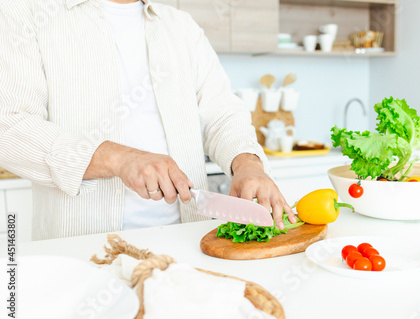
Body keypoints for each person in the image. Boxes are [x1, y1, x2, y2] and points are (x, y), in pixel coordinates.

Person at [0, 0, 295, 240]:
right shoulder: (25, 11)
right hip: (83, 250)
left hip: (187, 243)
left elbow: (223, 112)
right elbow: (9, 126)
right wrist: (119, 158)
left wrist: (247, 164)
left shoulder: (181, 27)